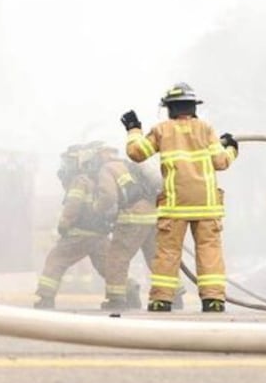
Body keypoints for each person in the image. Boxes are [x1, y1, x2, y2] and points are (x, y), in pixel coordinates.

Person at [122, 82, 238, 313]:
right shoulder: (206, 130)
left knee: (167, 253)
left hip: (175, 206)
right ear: (193, 107)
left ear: (170, 108)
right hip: (206, 206)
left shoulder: (162, 130)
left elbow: (137, 153)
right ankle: (214, 300)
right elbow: (220, 162)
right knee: (209, 252)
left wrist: (133, 129)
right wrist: (232, 148)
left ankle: (161, 300)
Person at [33, 143, 112, 309]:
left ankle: (45, 298)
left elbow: (72, 207)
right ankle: (129, 292)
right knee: (110, 267)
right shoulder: (99, 180)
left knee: (55, 260)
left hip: (79, 234)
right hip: (99, 235)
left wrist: (63, 225)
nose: (65, 167)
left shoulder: (79, 181)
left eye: (70, 162)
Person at [91, 144, 158, 311]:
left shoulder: (107, 168)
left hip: (132, 217)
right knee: (156, 258)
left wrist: (96, 210)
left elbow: (108, 195)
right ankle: (173, 294)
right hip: (153, 215)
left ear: (101, 156)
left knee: (117, 257)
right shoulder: (130, 165)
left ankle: (116, 299)